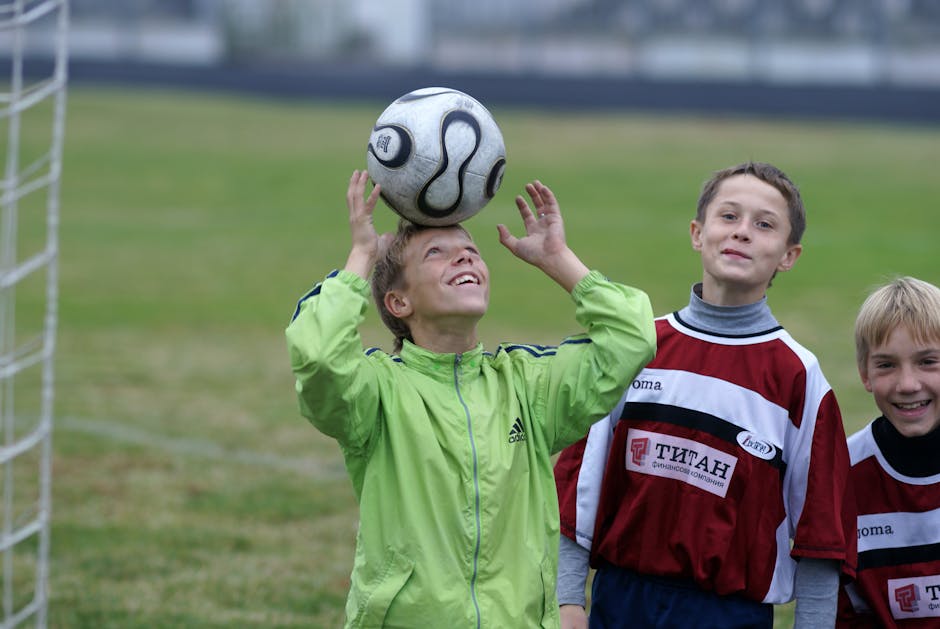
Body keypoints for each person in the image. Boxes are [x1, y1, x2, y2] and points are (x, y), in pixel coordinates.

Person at [285, 170, 656, 628]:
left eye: (471, 252)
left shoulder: (525, 384)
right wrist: (361, 258)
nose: (463, 259)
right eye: (436, 254)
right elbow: (318, 357)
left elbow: (633, 338)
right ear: (398, 303)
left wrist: (558, 259)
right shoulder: (377, 393)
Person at [554, 161, 856, 628]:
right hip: (620, 602)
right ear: (698, 232)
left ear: (789, 255)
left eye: (764, 224)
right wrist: (567, 600)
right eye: (729, 216)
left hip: (728, 613)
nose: (742, 233)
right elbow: (578, 490)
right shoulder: (637, 348)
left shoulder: (799, 377)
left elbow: (821, 536)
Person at [836, 276, 940, 628]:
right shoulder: (842, 476)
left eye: (928, 361)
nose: (908, 384)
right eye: (886, 365)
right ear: (864, 373)